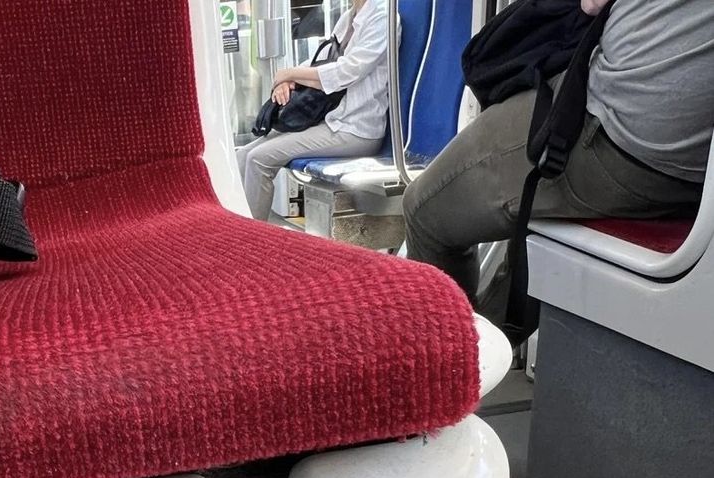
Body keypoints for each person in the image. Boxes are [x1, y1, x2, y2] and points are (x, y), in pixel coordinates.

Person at [402, 0, 714, 320]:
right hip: (698, 175)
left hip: (621, 138)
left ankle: (452, 360)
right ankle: (493, 337)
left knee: (425, 211)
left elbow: (592, 5)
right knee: (524, 209)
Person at [237, 0, 389, 222]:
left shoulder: (382, 17)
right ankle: (237, 233)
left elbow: (347, 71)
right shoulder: (349, 17)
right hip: (329, 120)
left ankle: (251, 245)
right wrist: (287, 80)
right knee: (243, 156)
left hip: (355, 128)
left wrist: (290, 74)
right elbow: (320, 60)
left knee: (259, 160)